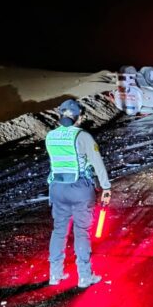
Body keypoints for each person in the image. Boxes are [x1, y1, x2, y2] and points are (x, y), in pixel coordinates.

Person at [45, 99, 110, 288]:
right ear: (77, 116)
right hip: (80, 188)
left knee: (59, 231)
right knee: (81, 232)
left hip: (57, 189)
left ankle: (54, 275)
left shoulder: (50, 136)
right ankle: (84, 276)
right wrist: (106, 187)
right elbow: (97, 163)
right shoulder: (82, 136)